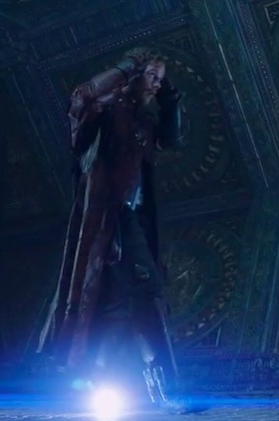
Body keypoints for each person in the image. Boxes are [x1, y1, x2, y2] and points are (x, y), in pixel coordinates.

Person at [37, 46, 186, 411]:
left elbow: (170, 138)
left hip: (131, 219)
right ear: (133, 75)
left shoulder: (142, 122)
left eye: (161, 80)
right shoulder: (104, 112)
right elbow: (83, 98)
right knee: (144, 291)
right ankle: (161, 381)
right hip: (107, 219)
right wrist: (128, 66)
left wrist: (169, 97)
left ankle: (137, 383)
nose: (156, 84)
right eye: (153, 76)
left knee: (119, 304)